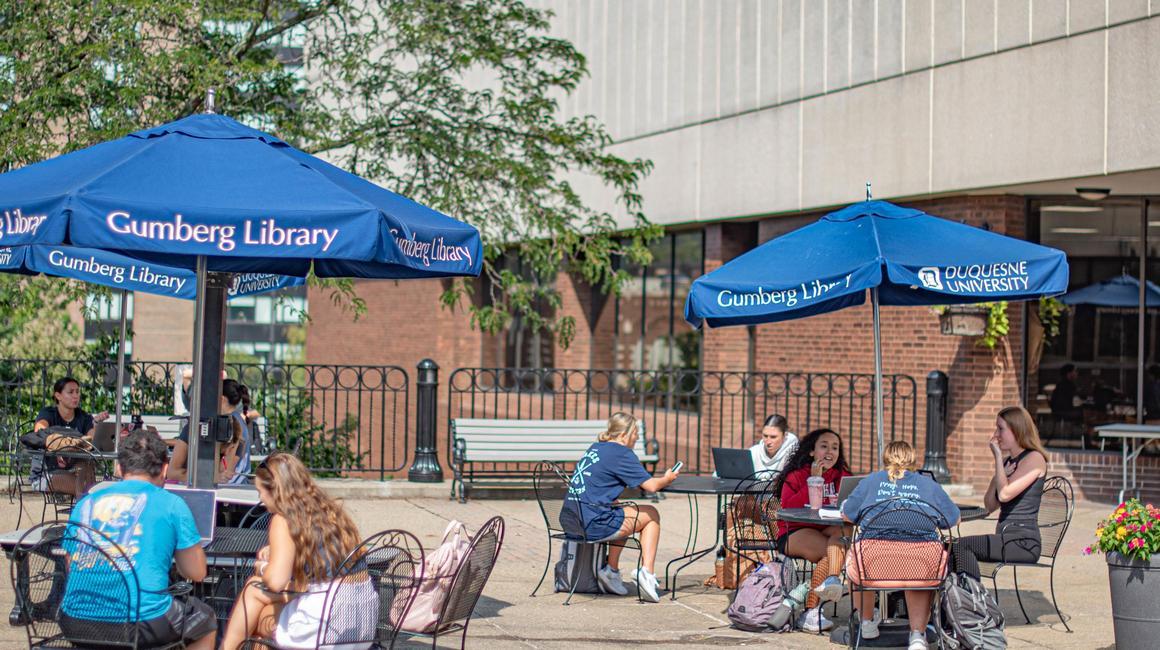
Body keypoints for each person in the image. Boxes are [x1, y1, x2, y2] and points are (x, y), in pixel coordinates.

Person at [59, 429, 216, 649]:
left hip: (75, 621)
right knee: (206, 620)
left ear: (119, 467)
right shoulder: (172, 505)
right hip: (140, 623)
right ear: (164, 469)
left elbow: (70, 563)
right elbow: (197, 573)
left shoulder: (87, 503)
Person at [220, 453, 373, 650]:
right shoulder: (330, 511)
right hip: (359, 623)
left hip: (326, 626)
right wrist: (280, 551)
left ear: (275, 491)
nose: (260, 499)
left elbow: (275, 582)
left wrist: (263, 566)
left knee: (254, 597)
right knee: (259, 601)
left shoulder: (283, 519)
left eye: (260, 492)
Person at [841, 440, 960, 650]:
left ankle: (867, 621)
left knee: (854, 559)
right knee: (920, 573)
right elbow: (952, 519)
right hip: (921, 562)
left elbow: (847, 514)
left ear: (885, 458)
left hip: (874, 562)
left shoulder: (871, 481)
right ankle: (917, 636)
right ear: (913, 460)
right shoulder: (929, 485)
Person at [559, 412, 680, 603]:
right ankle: (646, 572)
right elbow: (651, 486)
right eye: (635, 433)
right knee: (651, 514)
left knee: (624, 512)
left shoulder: (596, 448)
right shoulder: (622, 453)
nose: (638, 437)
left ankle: (611, 571)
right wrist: (668, 478)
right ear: (624, 434)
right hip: (592, 523)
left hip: (570, 520)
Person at [772, 428, 852, 632]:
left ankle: (811, 611)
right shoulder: (797, 475)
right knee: (834, 552)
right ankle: (814, 606)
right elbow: (788, 508)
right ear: (812, 451)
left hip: (828, 528)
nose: (830, 451)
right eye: (824, 446)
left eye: (835, 447)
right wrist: (814, 480)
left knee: (843, 535)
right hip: (795, 530)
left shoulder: (842, 476)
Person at [955, 406, 1048, 580]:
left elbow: (1005, 494)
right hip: (1006, 538)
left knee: (960, 546)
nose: (996, 434)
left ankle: (973, 598)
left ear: (1016, 430)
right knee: (952, 549)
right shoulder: (1008, 462)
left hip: (1023, 542)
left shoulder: (1034, 458)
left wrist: (997, 458)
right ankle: (961, 597)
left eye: (1001, 428)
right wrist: (999, 473)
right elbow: (989, 505)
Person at [167, 379, 247, 484]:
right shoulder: (195, 427)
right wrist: (208, 477)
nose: (228, 452)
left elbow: (224, 473)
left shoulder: (237, 431)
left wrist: (221, 475)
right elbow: (172, 472)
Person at [34, 376, 109, 436]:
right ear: (58, 396)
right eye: (70, 392)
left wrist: (96, 424)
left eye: (77, 392)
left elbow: (92, 441)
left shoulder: (84, 417)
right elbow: (39, 433)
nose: (76, 396)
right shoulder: (48, 413)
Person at [749, 414, 798, 479]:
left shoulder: (793, 454)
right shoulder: (753, 452)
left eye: (773, 437)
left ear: (784, 436)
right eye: (765, 436)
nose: (768, 442)